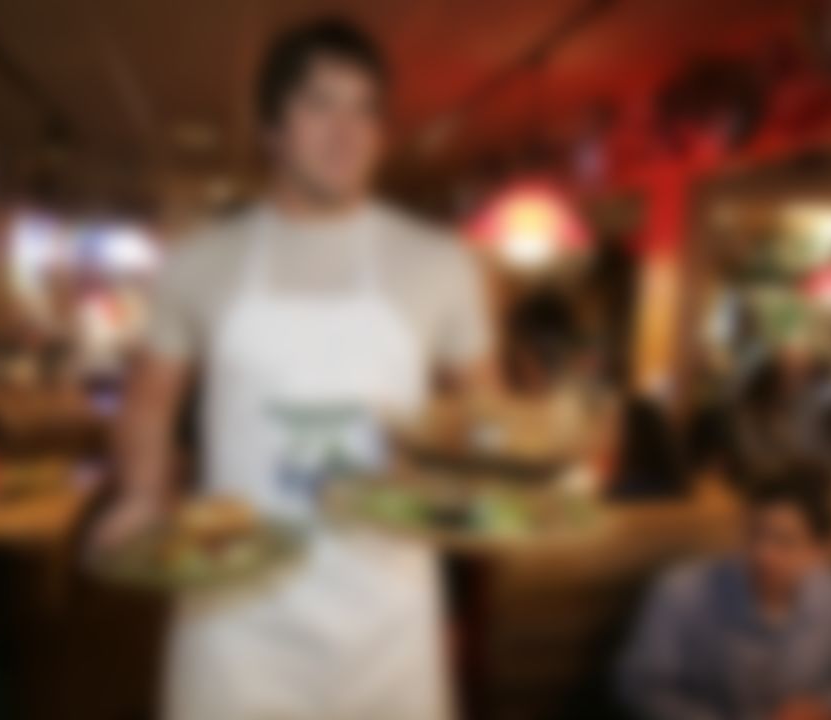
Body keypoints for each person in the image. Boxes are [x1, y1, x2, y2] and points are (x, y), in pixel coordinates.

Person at [92, 17, 494, 720]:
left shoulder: (442, 264)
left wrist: (486, 474)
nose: (347, 130)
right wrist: (140, 496)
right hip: (233, 624)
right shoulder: (199, 262)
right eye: (319, 104)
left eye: (364, 108)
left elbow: (485, 416)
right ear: (271, 129)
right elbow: (150, 402)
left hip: (388, 617)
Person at [619, 481, 831, 720]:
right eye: (755, 534)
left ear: (821, 552)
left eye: (784, 542)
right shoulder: (681, 592)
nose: (762, 553)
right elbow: (642, 686)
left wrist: (820, 707)